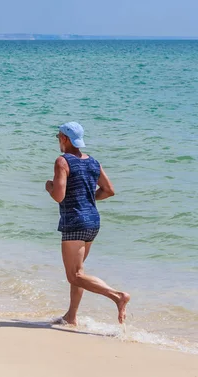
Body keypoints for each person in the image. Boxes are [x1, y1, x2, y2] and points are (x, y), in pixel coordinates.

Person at [46, 122, 130, 325]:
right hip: (92, 220)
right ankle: (71, 316)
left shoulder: (62, 161)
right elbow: (109, 190)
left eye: (58, 136)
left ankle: (117, 296)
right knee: (79, 272)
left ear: (65, 139)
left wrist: (48, 186)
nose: (58, 140)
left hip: (74, 221)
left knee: (74, 275)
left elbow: (59, 196)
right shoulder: (93, 162)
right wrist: (87, 197)